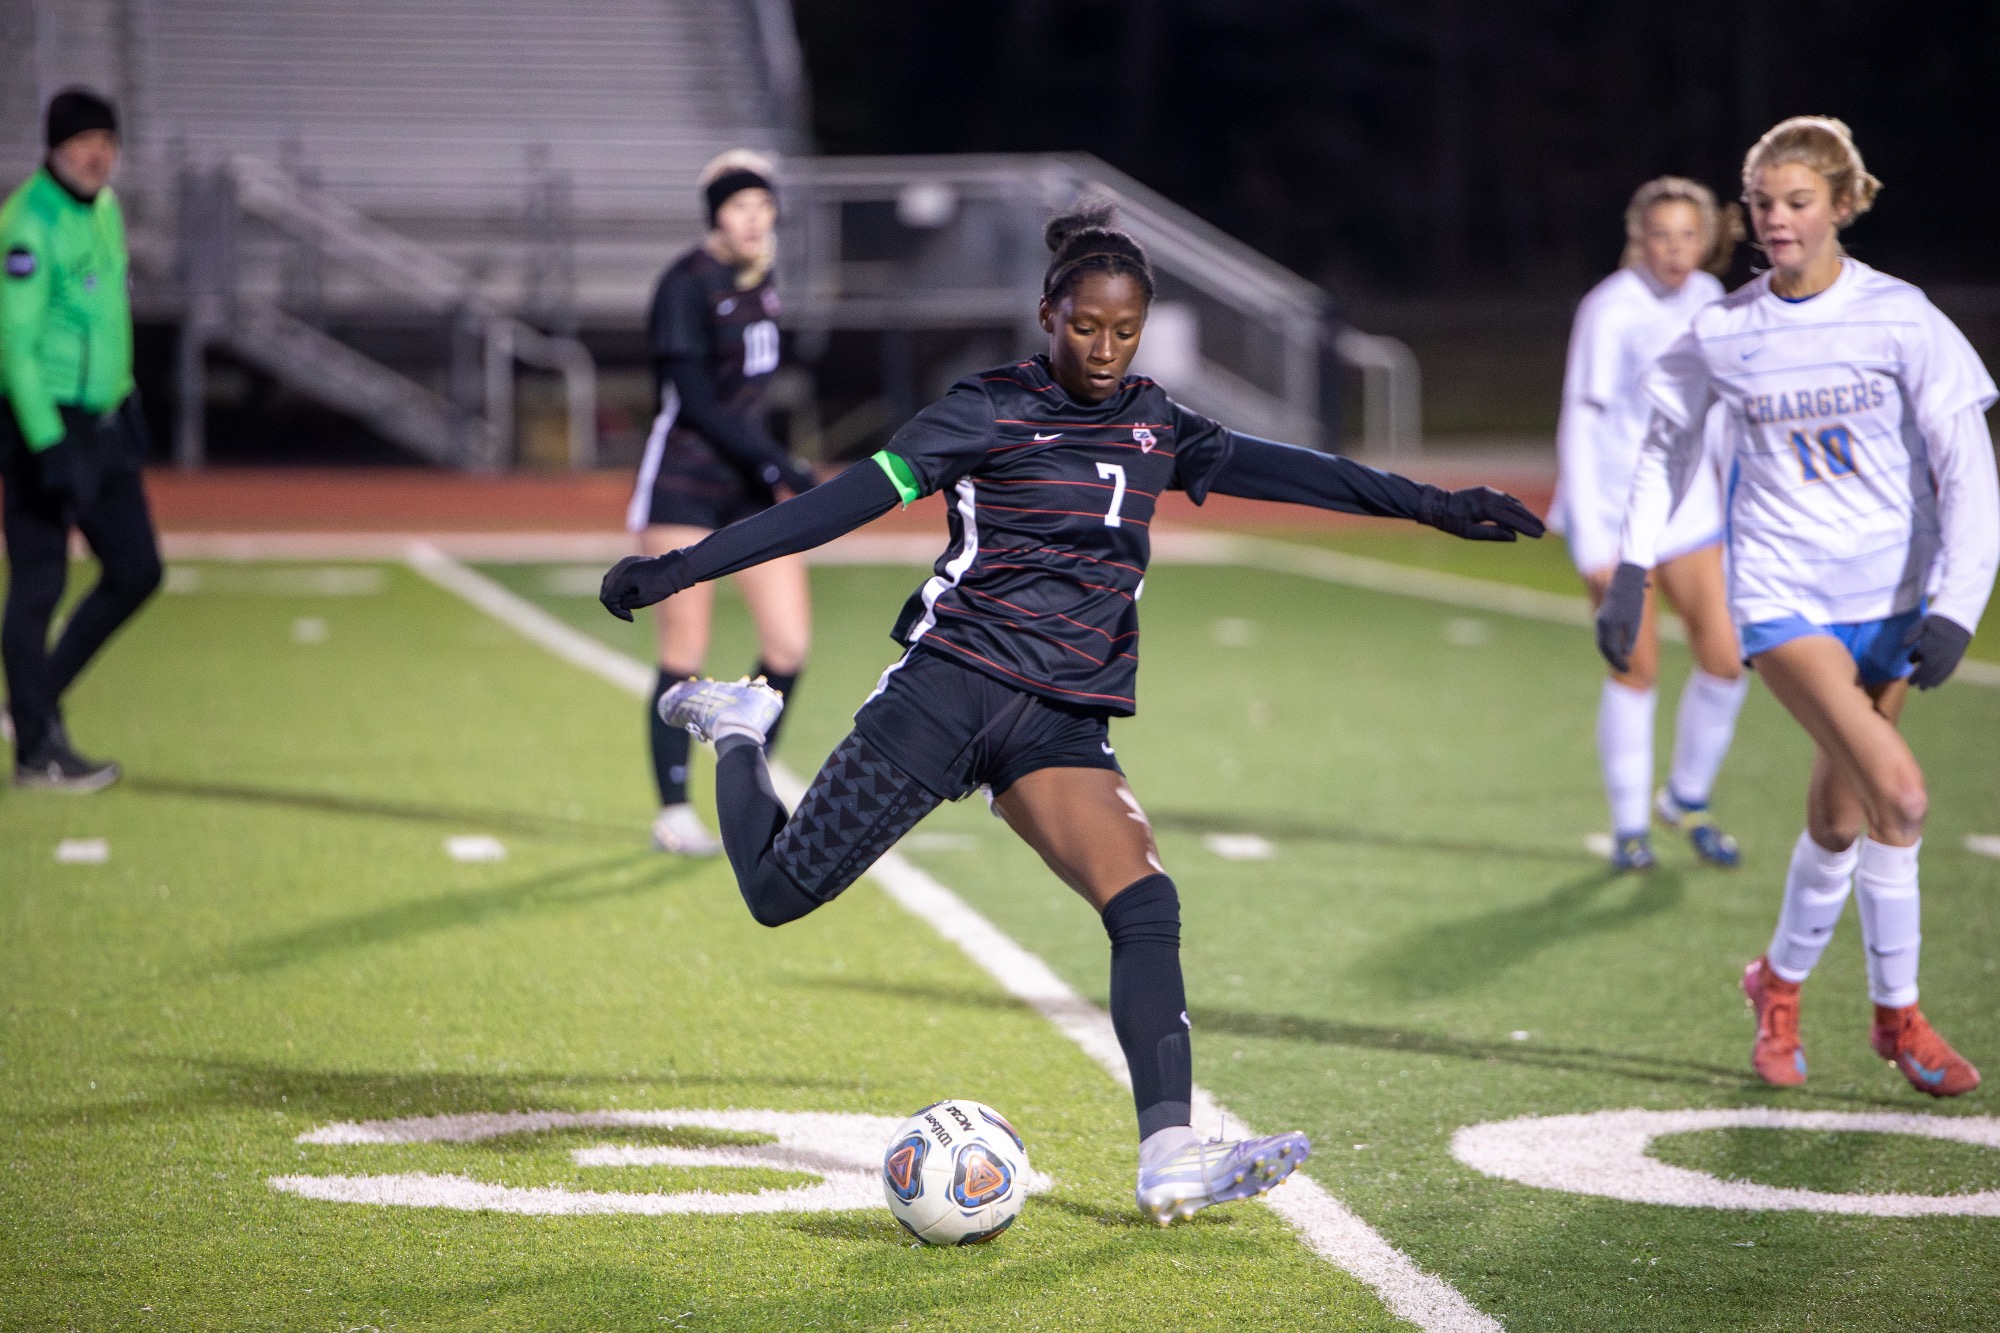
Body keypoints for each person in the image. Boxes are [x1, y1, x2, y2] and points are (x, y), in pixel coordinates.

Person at [600, 204, 1546, 1222]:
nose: (1102, 349)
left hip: (1060, 719)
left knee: (1144, 903)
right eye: (1084, 326)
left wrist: (1434, 504)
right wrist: (682, 566)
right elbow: (835, 505)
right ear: (1044, 313)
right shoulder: (985, 409)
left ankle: (1169, 1155)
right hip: (949, 684)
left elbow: (1296, 471)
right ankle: (740, 726)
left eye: (1123, 330)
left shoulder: (1155, 424)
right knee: (779, 892)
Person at [1599, 117, 1997, 1097]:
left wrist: (1955, 601)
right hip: (1781, 598)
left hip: (1892, 603)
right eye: (1762, 202)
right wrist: (1628, 569)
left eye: (1796, 202)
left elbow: (1964, 468)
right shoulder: (1725, 331)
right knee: (1897, 794)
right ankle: (1895, 1016)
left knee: (1838, 815)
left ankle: (1773, 984)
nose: (1773, 220)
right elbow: (1663, 447)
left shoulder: (1899, 318)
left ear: (1842, 205)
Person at [1553, 177, 1748, 872]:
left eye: (1687, 235)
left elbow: (1723, 414)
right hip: (1616, 513)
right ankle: (1630, 827)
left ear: (1707, 239)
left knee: (1727, 658)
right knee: (1635, 668)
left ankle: (1687, 797)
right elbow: (1582, 418)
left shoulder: (1710, 301)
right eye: (1661, 235)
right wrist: (1589, 535)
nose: (1674, 249)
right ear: (1640, 237)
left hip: (1691, 512)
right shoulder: (1609, 309)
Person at [626, 150, 817, 855]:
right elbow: (698, 403)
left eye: (764, 208)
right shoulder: (686, 283)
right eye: (742, 207)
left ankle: (746, 765)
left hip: (744, 478)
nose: (755, 219)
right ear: (716, 214)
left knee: (788, 644)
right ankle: (674, 808)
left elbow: (751, 397)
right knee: (684, 650)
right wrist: (779, 460)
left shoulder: (761, 279)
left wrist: (769, 463)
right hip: (686, 478)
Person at [1, 87, 161, 791]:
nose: (98, 154)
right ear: (55, 146)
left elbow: (105, 314)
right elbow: (14, 344)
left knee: (137, 569)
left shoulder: (106, 209)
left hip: (102, 421)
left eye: (107, 140)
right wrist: (45, 441)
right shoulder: (27, 225)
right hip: (46, 422)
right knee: (38, 585)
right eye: (84, 141)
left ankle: (29, 701)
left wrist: (124, 399)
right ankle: (36, 751)